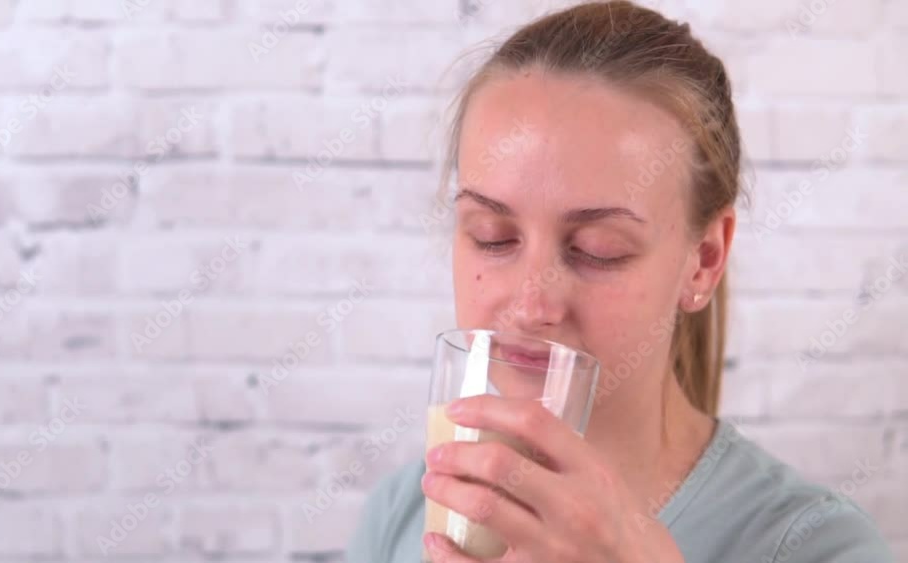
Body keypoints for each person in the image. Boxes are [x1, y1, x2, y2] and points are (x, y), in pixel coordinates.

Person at [345, 1, 894, 562]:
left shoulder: (819, 547)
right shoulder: (401, 514)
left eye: (597, 251)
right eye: (493, 236)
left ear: (703, 258)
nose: (531, 304)